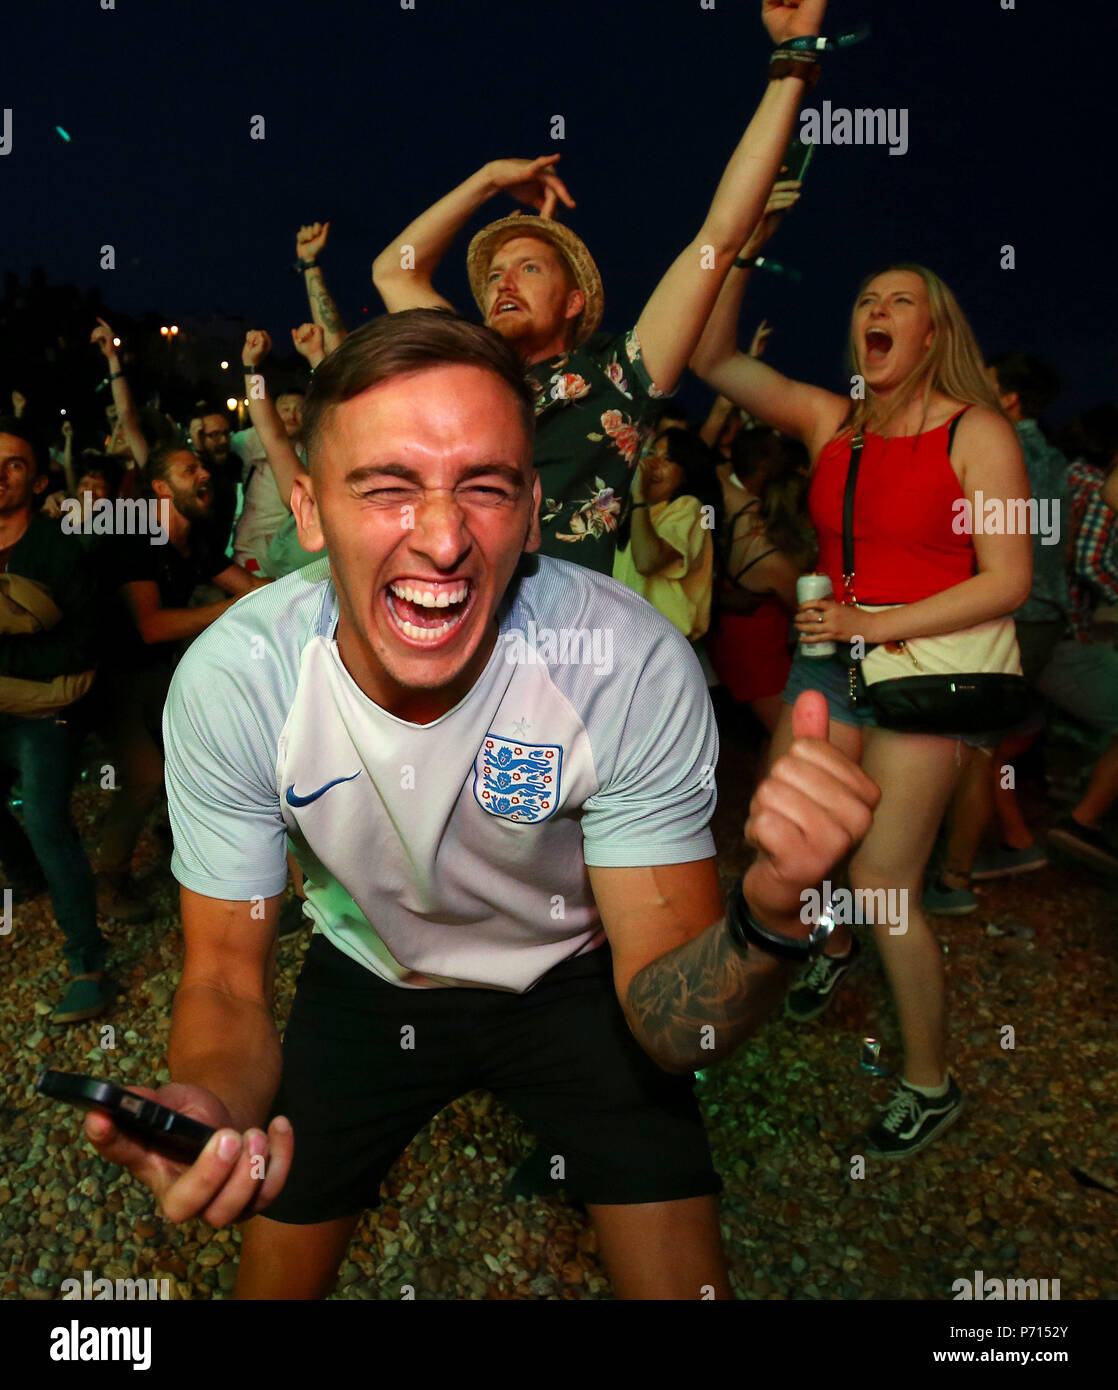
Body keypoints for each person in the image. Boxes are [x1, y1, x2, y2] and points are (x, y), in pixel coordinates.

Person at [81, 310, 879, 1301]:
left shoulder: (624, 665)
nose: (443, 536)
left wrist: (766, 916)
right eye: (385, 486)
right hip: (370, 975)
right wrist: (206, 1099)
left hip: (573, 979)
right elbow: (228, 985)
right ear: (310, 507)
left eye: (484, 488)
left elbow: (680, 1031)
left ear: (533, 509)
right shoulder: (238, 679)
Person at [691, 249, 1033, 1158]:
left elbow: (1009, 580)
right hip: (829, 663)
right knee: (788, 835)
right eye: (867, 302)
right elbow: (712, 359)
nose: (877, 312)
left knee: (884, 884)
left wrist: (875, 621)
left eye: (901, 303)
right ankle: (829, 949)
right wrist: (745, 249)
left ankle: (932, 1080)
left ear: (933, 331)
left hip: (919, 678)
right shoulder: (829, 422)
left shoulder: (979, 434)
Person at [372, 0, 831, 576]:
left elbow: (719, 235)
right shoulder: (469, 359)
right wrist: (488, 178)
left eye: (529, 268)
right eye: (493, 275)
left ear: (575, 302)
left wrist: (793, 59)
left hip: (562, 644)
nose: (503, 282)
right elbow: (395, 270)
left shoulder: (619, 376)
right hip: (451, 623)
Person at [92, 439, 268, 920]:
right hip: (114, 677)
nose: (205, 474)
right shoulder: (136, 538)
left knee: (197, 755)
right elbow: (151, 626)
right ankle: (109, 881)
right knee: (144, 777)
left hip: (163, 671)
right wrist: (232, 610)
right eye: (190, 469)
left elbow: (252, 590)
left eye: (203, 468)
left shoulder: (197, 538)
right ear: (160, 488)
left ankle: (178, 840)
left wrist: (301, 590)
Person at [0, 418, 109, 1022]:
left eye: (14, 463)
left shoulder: (59, 548)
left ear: (38, 480)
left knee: (45, 816)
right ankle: (23, 874)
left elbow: (80, 647)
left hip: (46, 712)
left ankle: (86, 961)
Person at [707, 426, 815, 733]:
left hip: (736, 641)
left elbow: (712, 464)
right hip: (757, 655)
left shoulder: (738, 504)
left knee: (774, 740)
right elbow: (809, 614)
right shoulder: (776, 563)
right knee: (792, 738)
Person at [613, 427, 720, 642]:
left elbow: (647, 561)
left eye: (667, 459)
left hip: (665, 647)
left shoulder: (691, 508)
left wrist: (640, 498)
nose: (653, 464)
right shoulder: (636, 512)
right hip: (629, 640)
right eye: (651, 454)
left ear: (687, 472)